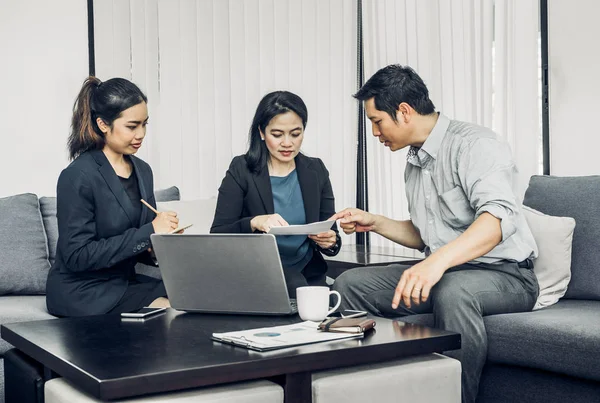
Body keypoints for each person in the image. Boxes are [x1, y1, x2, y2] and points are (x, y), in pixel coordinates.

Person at [331, 65, 539, 403]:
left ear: (404, 112)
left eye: (376, 120)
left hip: (508, 276)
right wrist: (377, 222)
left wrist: (434, 264)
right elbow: (427, 234)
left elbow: (497, 220)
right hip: (448, 274)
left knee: (453, 290)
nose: (374, 132)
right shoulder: (415, 163)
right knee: (348, 286)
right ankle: (379, 391)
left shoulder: (475, 144)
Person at [46, 76, 179, 317]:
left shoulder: (143, 170)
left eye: (145, 124)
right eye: (132, 126)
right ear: (103, 124)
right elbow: (77, 256)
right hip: (83, 290)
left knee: (195, 294)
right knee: (174, 309)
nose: (141, 134)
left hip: (121, 282)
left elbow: (138, 240)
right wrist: (149, 231)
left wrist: (159, 244)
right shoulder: (78, 176)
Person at [211, 91, 341, 297]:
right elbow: (218, 234)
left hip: (308, 272)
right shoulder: (242, 169)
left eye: (296, 134)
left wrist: (330, 241)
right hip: (259, 272)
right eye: (277, 135)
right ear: (262, 132)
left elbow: (331, 233)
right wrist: (254, 222)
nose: (287, 143)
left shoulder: (315, 170)